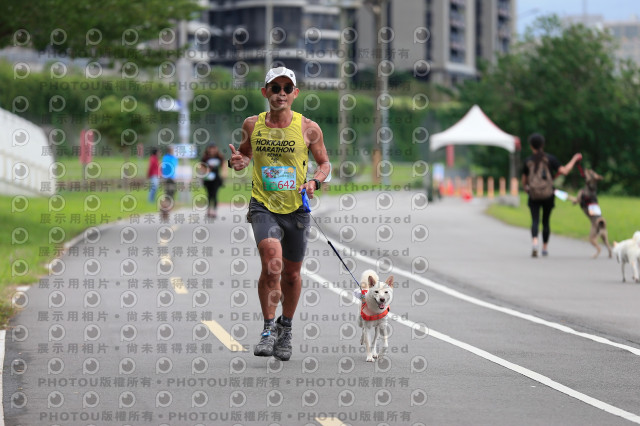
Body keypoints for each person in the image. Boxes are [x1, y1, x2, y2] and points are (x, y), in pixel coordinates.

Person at [228, 66, 331, 361]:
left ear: (295, 94)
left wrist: (315, 181)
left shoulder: (309, 128)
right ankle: (267, 328)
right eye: (275, 88)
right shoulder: (252, 124)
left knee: (292, 273)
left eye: (287, 88)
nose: (281, 93)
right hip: (263, 205)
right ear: (265, 93)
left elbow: (325, 164)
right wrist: (238, 161)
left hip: (297, 208)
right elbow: (245, 153)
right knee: (272, 264)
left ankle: (286, 329)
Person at [521, 133, 581, 257]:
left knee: (535, 220)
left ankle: (534, 243)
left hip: (533, 196)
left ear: (531, 146)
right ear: (542, 145)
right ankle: (544, 248)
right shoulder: (550, 159)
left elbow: (524, 181)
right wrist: (574, 159)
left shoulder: (528, 161)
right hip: (548, 195)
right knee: (546, 221)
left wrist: (526, 189)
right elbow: (564, 171)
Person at [199, 143, 226, 218]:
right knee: (208, 195)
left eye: (213, 148)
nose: (212, 150)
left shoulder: (219, 157)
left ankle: (214, 211)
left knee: (215, 194)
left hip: (216, 179)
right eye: (210, 148)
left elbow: (224, 166)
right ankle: (208, 210)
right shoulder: (205, 158)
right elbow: (201, 167)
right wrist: (206, 170)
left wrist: (224, 175)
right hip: (207, 179)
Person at [160, 145, 178, 219]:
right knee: (169, 194)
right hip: (169, 178)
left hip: (172, 178)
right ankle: (165, 209)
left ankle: (166, 209)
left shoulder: (173, 158)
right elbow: (165, 168)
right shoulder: (167, 158)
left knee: (170, 194)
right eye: (172, 150)